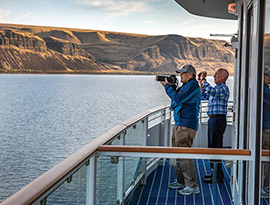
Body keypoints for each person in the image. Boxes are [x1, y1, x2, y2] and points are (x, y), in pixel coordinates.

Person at [160, 64, 201, 195]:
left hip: (186, 125)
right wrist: (172, 87)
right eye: (180, 73)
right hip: (180, 123)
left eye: (183, 73)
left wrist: (167, 87)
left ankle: (192, 185)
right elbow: (177, 98)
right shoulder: (186, 86)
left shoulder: (193, 85)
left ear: (191, 75)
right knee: (177, 153)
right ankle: (181, 181)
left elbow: (178, 98)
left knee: (184, 154)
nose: (180, 75)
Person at [198, 68, 230, 183]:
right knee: (212, 147)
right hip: (213, 120)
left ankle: (218, 176)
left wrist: (204, 79)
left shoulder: (223, 88)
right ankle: (215, 173)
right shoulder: (217, 89)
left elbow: (211, 91)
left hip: (218, 119)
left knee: (216, 148)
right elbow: (203, 96)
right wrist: (201, 82)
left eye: (216, 75)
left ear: (223, 77)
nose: (214, 76)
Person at [261, 67, 270, 198]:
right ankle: (263, 185)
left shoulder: (263, 89)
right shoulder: (263, 89)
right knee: (265, 157)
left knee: (265, 157)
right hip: (265, 127)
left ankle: (263, 185)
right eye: (267, 75)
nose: (269, 77)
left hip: (265, 127)